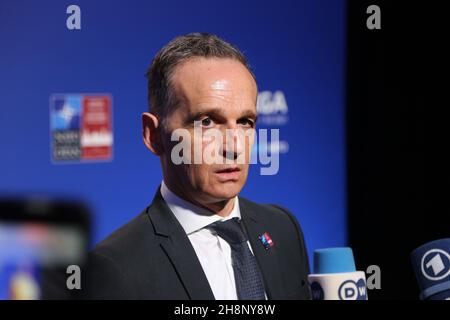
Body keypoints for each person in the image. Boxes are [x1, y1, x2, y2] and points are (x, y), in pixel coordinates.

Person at [85, 33, 311, 300]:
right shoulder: (115, 267)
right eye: (206, 122)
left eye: (245, 122)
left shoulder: (283, 228)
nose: (234, 147)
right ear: (153, 135)